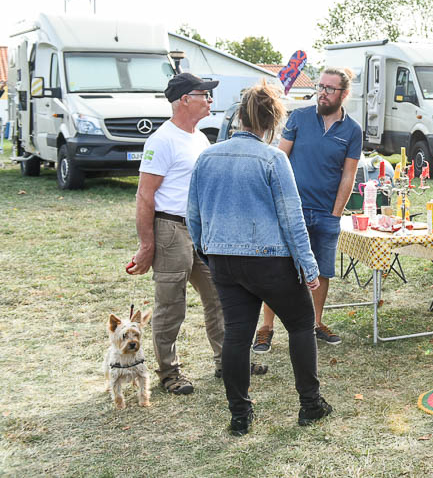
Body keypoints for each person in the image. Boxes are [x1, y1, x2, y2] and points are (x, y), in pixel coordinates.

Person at [186, 81, 332, 436]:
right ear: (271, 122)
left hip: (223, 258)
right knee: (301, 324)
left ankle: (240, 415)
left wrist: (207, 251)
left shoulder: (207, 157)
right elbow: (292, 218)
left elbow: (193, 214)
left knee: (237, 335)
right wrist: (309, 266)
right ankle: (310, 404)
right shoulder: (273, 158)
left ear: (240, 116)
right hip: (269, 260)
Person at [128, 73, 246, 395]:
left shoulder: (200, 138)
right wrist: (147, 245)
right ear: (184, 100)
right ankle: (169, 373)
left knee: (218, 296)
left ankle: (227, 361)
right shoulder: (162, 140)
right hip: (171, 229)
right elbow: (145, 195)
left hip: (199, 230)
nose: (210, 100)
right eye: (204, 95)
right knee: (171, 306)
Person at [252, 68, 360, 353]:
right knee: (279, 269)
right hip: (291, 212)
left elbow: (348, 175)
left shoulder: (352, 130)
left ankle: (316, 323)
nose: (322, 93)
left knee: (322, 270)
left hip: (326, 213)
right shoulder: (299, 118)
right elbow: (279, 159)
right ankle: (266, 328)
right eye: (320, 86)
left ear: (344, 94)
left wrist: (336, 214)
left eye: (330, 89)